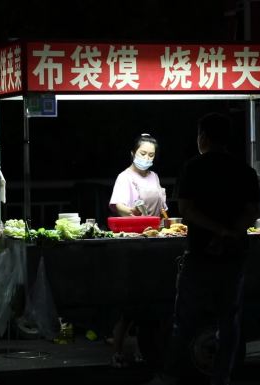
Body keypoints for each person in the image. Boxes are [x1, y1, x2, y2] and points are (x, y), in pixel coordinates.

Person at [147, 112, 260, 385]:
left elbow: (187, 210)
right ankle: (221, 377)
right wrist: (230, 232)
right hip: (234, 254)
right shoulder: (245, 171)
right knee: (228, 320)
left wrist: (216, 231)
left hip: (200, 254)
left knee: (184, 319)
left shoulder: (193, 168)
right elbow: (253, 211)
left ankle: (170, 376)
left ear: (204, 137)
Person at [107, 133, 168, 368]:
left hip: (155, 240)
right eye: (142, 153)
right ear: (133, 153)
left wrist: (168, 223)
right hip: (132, 241)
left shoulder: (154, 176)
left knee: (152, 303)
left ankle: (145, 350)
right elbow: (117, 205)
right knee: (131, 305)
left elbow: (162, 208)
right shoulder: (125, 177)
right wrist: (130, 212)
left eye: (151, 155)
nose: (146, 158)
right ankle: (118, 352)